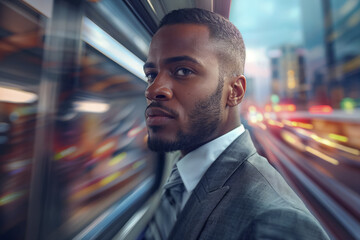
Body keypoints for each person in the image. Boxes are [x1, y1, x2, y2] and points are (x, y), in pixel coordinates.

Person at [143, 8, 329, 240]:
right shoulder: (182, 177)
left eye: (183, 71)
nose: (152, 90)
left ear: (235, 91)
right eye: (151, 74)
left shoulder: (278, 221)